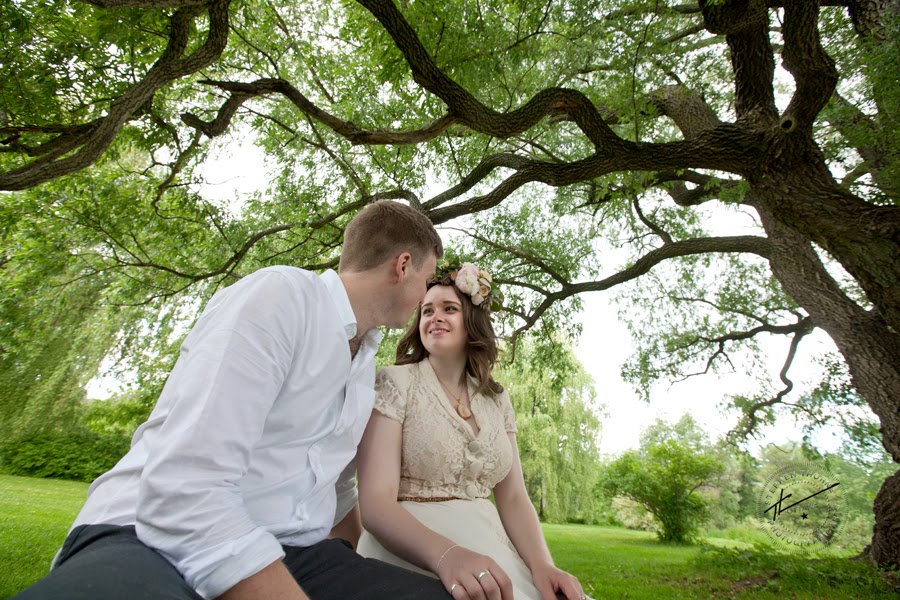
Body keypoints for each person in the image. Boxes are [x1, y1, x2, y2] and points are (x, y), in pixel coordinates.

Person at [14, 200, 450, 600]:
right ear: (403, 266)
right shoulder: (281, 296)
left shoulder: (365, 364)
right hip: (148, 535)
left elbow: (332, 486)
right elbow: (186, 487)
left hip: (292, 551)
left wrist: (357, 566)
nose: (425, 297)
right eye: (427, 280)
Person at [355, 261, 589, 600]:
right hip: (410, 555)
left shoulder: (496, 398)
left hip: (490, 548)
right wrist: (447, 556)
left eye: (449, 309)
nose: (435, 317)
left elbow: (513, 497)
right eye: (427, 310)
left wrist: (543, 565)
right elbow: (376, 504)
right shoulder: (395, 383)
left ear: (473, 321)